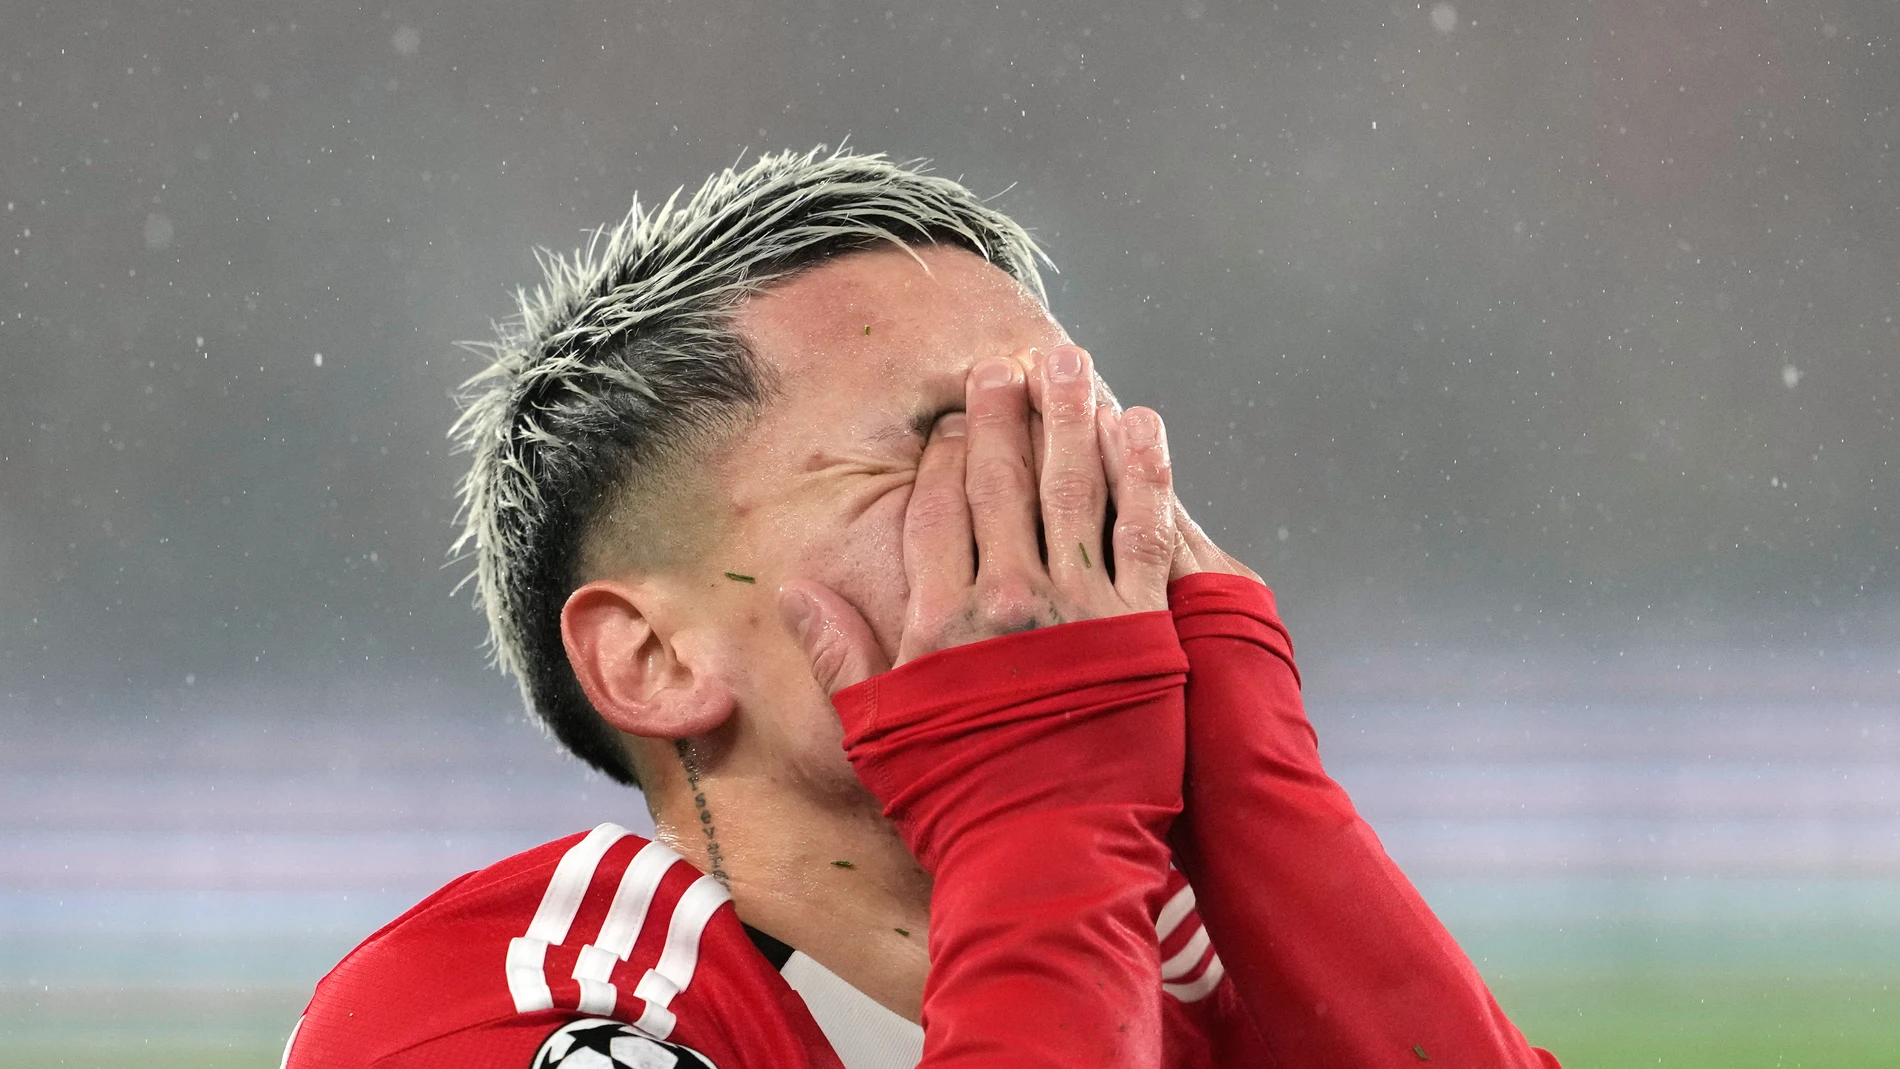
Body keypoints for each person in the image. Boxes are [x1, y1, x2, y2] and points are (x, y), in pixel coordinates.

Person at [282, 147, 1559, 1068]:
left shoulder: (1202, 956)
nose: (1069, 499)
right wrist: (1036, 809)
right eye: (948, 443)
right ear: (655, 657)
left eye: (1066, 423)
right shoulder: (499, 1010)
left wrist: (1256, 782)